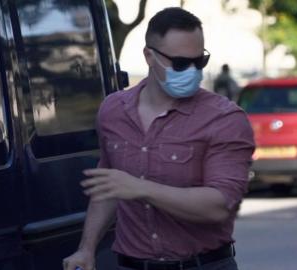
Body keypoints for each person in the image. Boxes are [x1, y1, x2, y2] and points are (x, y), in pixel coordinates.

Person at [63, 7, 255, 270]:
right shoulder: (113, 110)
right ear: (149, 57)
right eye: (179, 63)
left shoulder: (225, 118)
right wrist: (86, 249)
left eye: (199, 62)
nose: (191, 71)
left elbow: (218, 206)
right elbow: (110, 186)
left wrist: (141, 188)